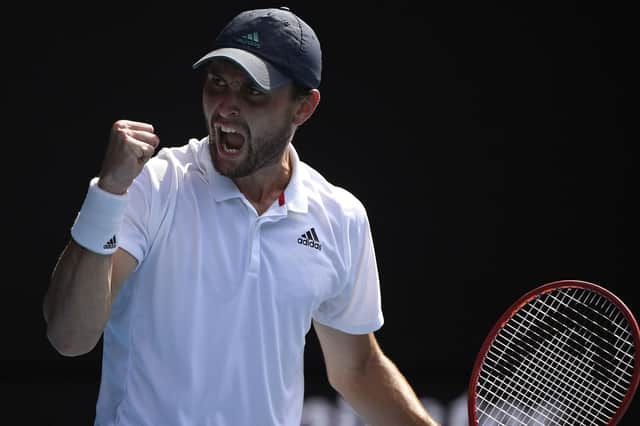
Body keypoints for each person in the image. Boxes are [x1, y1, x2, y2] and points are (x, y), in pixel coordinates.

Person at [42, 6, 440, 426]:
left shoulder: (340, 217)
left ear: (303, 108)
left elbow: (357, 370)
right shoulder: (155, 185)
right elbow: (69, 337)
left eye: (254, 91)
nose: (227, 107)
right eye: (217, 83)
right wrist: (108, 193)